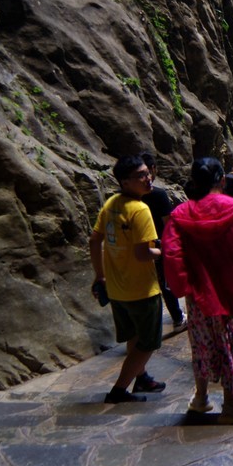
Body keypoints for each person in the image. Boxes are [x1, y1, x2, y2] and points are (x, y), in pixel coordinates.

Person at [163, 157, 233, 424]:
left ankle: (201, 398)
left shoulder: (181, 214)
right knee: (230, 346)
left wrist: (183, 287)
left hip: (201, 296)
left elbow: (171, 254)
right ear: (222, 181)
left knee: (202, 345)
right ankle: (230, 406)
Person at [90, 155, 168, 403]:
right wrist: (165, 250)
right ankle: (119, 390)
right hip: (142, 290)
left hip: (116, 289)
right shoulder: (140, 209)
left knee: (134, 336)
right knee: (148, 342)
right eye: (141, 176)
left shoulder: (112, 203)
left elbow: (94, 240)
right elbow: (143, 253)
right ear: (125, 182)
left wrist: (100, 276)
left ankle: (141, 377)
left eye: (148, 173)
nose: (148, 179)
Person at [140, 152, 186, 335]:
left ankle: (147, 324)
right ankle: (177, 318)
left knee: (147, 285)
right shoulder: (158, 194)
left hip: (136, 245)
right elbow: (168, 223)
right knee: (165, 283)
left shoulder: (124, 197)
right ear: (152, 169)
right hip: (158, 243)